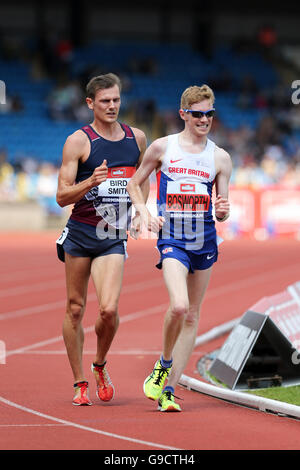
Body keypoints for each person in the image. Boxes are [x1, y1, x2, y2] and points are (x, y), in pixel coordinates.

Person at [127, 84, 231, 412]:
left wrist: (222, 210)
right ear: (183, 114)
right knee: (180, 307)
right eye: (197, 114)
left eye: (209, 114)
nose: (204, 120)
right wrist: (143, 211)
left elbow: (222, 205)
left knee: (193, 314)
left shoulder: (220, 157)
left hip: (205, 240)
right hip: (172, 238)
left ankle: (170, 390)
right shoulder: (163, 148)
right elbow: (134, 182)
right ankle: (164, 362)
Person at [56, 73, 148, 406]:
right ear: (90, 103)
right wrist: (90, 182)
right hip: (80, 233)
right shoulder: (78, 142)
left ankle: (99, 364)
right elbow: (61, 197)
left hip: (112, 235)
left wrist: (140, 210)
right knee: (75, 308)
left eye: (116, 100)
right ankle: (79, 380)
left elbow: (143, 176)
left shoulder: (135, 138)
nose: (112, 106)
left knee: (108, 309)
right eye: (105, 101)